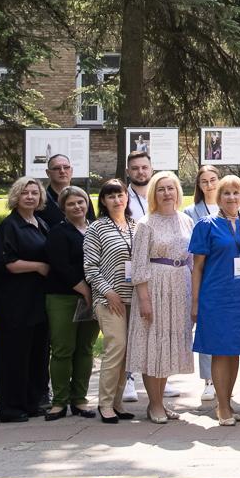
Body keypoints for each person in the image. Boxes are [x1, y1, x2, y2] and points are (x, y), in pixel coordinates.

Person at [188, 174, 240, 425]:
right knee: (221, 352)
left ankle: (227, 403)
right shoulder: (205, 226)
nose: (232, 197)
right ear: (218, 197)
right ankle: (221, 408)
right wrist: (195, 302)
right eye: (226, 193)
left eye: (236, 193)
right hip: (216, 297)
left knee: (236, 352)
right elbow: (197, 267)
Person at [127, 171, 194, 423]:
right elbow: (139, 263)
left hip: (180, 285)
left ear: (178, 192)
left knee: (167, 345)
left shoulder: (185, 221)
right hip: (154, 286)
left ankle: (162, 404)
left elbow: (192, 258)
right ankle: (153, 404)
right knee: (152, 345)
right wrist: (144, 299)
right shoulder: (146, 223)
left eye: (171, 188)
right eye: (161, 189)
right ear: (154, 193)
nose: (167, 193)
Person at [0, 177, 52, 422]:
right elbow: (7, 264)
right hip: (15, 303)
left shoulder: (40, 223)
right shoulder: (9, 226)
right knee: (14, 356)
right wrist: (38, 266)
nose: (30, 197)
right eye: (25, 193)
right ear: (16, 196)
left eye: (35, 193)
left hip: (37, 301)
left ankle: (32, 402)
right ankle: (11, 408)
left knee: (36, 354)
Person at [83, 179, 137, 424]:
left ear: (127, 197)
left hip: (133, 299)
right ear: (103, 201)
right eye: (111, 196)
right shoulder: (97, 228)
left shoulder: (135, 226)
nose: (117, 200)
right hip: (109, 299)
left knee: (127, 352)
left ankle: (117, 402)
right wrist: (108, 292)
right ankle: (104, 405)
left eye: (120, 195)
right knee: (116, 347)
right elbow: (90, 267)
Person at [42, 185, 98, 419]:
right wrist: (83, 288)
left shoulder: (95, 230)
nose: (77, 207)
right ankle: (59, 401)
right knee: (63, 349)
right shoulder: (58, 232)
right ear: (63, 207)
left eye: (81, 202)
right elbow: (60, 265)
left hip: (95, 296)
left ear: (87, 204)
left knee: (85, 348)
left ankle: (80, 399)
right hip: (64, 297)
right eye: (71, 203)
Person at [185, 164, 226, 403]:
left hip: (226, 278)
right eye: (204, 181)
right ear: (199, 186)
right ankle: (208, 381)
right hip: (204, 275)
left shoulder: (230, 207)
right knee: (206, 329)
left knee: (226, 331)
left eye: (213, 180)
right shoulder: (192, 212)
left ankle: (225, 379)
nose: (209, 185)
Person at [38, 155, 77, 229]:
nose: (62, 171)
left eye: (66, 167)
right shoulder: (40, 200)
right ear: (48, 173)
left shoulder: (82, 197)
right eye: (56, 168)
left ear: (71, 171)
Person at [123, 150, 154, 220]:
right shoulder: (121, 200)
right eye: (135, 168)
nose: (140, 172)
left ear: (152, 170)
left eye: (144, 167)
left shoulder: (161, 197)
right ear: (127, 172)